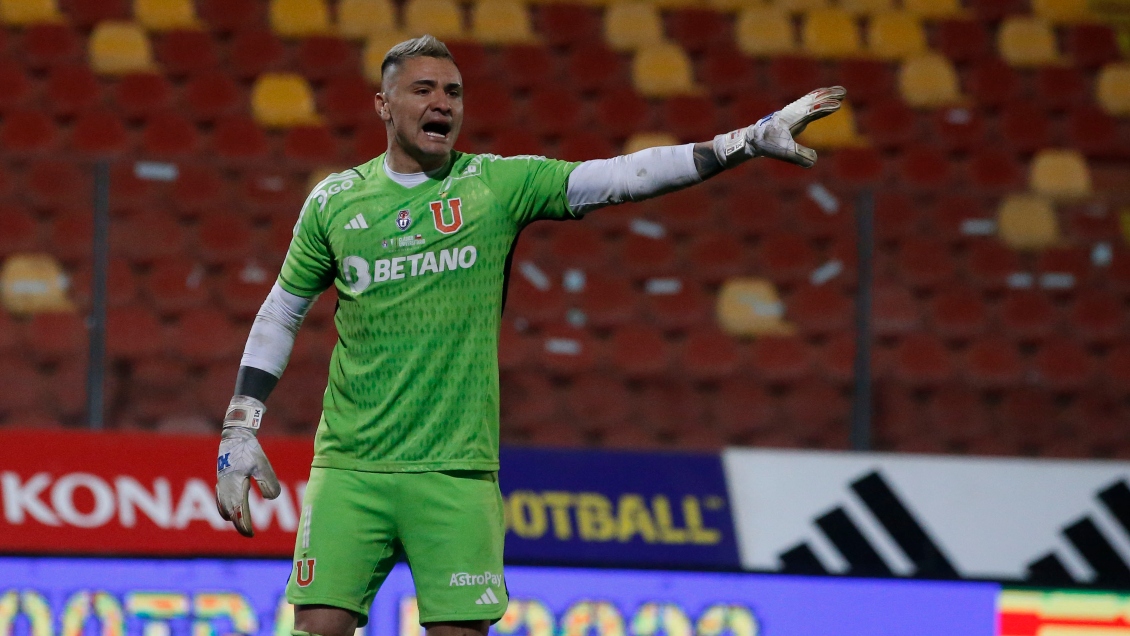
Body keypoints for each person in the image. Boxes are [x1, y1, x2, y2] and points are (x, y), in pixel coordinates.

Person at [214, 33, 844, 636]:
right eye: (424, 89)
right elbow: (280, 313)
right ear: (383, 104)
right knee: (317, 628)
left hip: (456, 472)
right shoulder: (334, 201)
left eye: (454, 93)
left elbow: (624, 175)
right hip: (351, 467)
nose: (442, 104)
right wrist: (240, 428)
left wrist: (745, 142)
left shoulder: (495, 186)